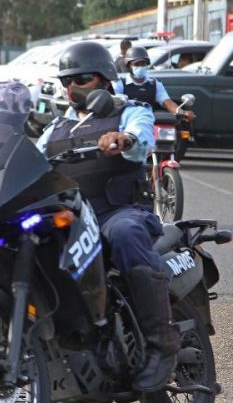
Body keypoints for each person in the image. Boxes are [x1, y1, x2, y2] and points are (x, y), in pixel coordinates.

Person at [35, 41, 177, 393]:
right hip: (71, 221)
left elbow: (142, 139)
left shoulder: (131, 110)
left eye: (80, 78)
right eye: (65, 80)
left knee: (127, 233)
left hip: (120, 212)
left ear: (103, 79)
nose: (71, 88)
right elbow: (31, 162)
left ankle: (161, 345)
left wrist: (124, 140)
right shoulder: (55, 128)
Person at [112, 46, 196, 120]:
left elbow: (167, 102)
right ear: (129, 65)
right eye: (137, 64)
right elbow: (113, 100)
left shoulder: (154, 84)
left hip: (148, 123)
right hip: (126, 124)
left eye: (143, 64)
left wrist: (182, 112)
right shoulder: (120, 83)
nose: (140, 67)